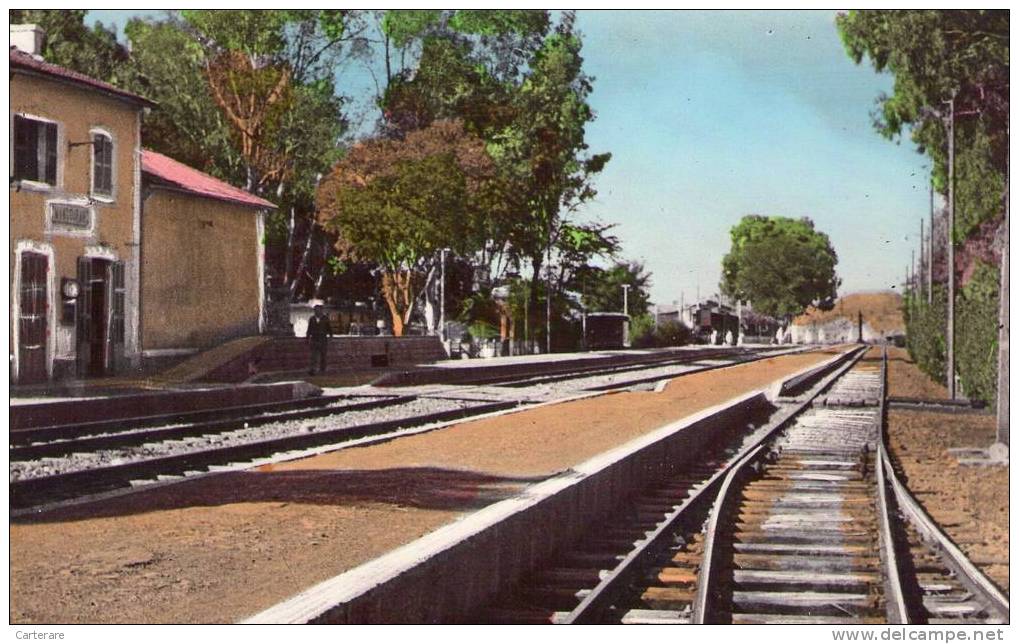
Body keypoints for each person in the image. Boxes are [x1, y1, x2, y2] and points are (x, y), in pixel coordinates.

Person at [307, 305, 332, 375]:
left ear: (321, 310)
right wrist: (307, 337)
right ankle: (313, 369)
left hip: (323, 339)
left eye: (318, 310)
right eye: (315, 310)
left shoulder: (325, 318)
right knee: (313, 356)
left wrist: (331, 336)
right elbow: (309, 329)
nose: (316, 311)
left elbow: (329, 328)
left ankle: (322, 369)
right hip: (314, 338)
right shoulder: (312, 319)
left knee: (323, 355)